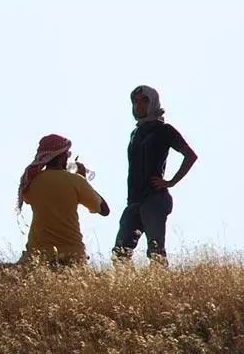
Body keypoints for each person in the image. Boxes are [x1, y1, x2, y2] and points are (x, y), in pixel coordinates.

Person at [111, 85, 198, 266]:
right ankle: (127, 292)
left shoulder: (164, 130)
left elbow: (190, 155)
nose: (139, 105)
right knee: (120, 252)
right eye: (136, 102)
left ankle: (163, 290)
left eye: (144, 101)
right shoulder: (135, 133)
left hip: (154, 198)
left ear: (153, 103)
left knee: (156, 252)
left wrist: (171, 182)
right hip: (134, 201)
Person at [16, 134, 111, 267]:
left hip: (38, 255)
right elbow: (104, 210)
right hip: (73, 255)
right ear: (60, 156)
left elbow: (30, 198)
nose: (68, 158)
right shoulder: (76, 181)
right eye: (67, 154)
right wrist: (82, 178)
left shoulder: (32, 182)